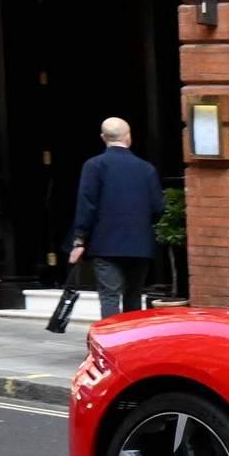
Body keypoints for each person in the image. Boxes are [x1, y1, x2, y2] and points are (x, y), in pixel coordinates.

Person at [66, 116, 166, 320]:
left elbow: (87, 205)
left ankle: (112, 342)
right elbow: (158, 206)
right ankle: (133, 343)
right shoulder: (146, 168)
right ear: (128, 137)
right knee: (134, 295)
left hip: (105, 243)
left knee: (110, 295)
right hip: (139, 243)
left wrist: (79, 240)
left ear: (103, 137)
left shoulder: (94, 166)